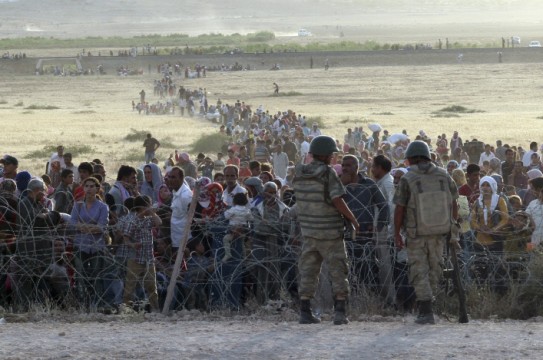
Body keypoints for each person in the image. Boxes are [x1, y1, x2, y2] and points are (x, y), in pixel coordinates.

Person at [293, 135, 359, 325]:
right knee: (338, 270)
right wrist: (352, 219)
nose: (332, 157)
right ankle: (340, 313)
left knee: (308, 271)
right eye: (331, 154)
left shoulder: (299, 171)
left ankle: (305, 311)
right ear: (327, 155)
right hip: (330, 231)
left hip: (309, 230)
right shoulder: (327, 173)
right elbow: (337, 199)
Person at [393, 140, 459, 324]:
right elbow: (454, 201)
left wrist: (397, 233)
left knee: (418, 270)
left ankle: (425, 309)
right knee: (434, 269)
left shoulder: (408, 178)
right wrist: (451, 224)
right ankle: (428, 305)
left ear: (412, 158)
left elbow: (400, 208)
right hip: (439, 232)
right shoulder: (444, 175)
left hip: (416, 234)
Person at [69, 177, 111, 309]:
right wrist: (91, 227)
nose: (89, 188)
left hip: (97, 246)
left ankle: (96, 305)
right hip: (80, 245)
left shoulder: (103, 207)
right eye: (86, 186)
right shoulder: (78, 205)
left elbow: (101, 226)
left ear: (97, 189)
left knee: (96, 276)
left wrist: (83, 227)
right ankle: (82, 304)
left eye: (92, 186)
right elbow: (72, 224)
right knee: (81, 276)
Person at [122, 195, 162, 312]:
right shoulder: (133, 221)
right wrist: (133, 245)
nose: (152, 207)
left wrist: (152, 213)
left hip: (149, 257)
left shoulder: (149, 219)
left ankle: (155, 309)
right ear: (142, 207)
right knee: (130, 286)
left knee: (151, 285)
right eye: (149, 205)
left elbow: (159, 222)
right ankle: (126, 310)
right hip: (135, 259)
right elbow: (126, 238)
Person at [470, 176, 509, 253]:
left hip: (495, 240)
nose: (485, 188)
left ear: (493, 186)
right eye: (483, 185)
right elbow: (472, 220)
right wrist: (479, 228)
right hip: (479, 240)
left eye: (488, 185)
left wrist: (493, 230)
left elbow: (505, 219)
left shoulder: (500, 200)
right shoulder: (477, 202)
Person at [222, 192, 252, 263]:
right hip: (243, 230)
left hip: (233, 230)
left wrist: (225, 211)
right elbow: (251, 218)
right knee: (242, 243)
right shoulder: (247, 210)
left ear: (234, 201)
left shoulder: (233, 209)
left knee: (225, 239)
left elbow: (226, 216)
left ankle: (228, 254)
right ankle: (244, 257)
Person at [169, 166, 193, 252]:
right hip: (176, 239)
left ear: (181, 178)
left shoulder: (185, 195)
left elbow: (192, 218)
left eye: (174, 177)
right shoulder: (175, 192)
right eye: (170, 177)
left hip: (185, 242)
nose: (171, 180)